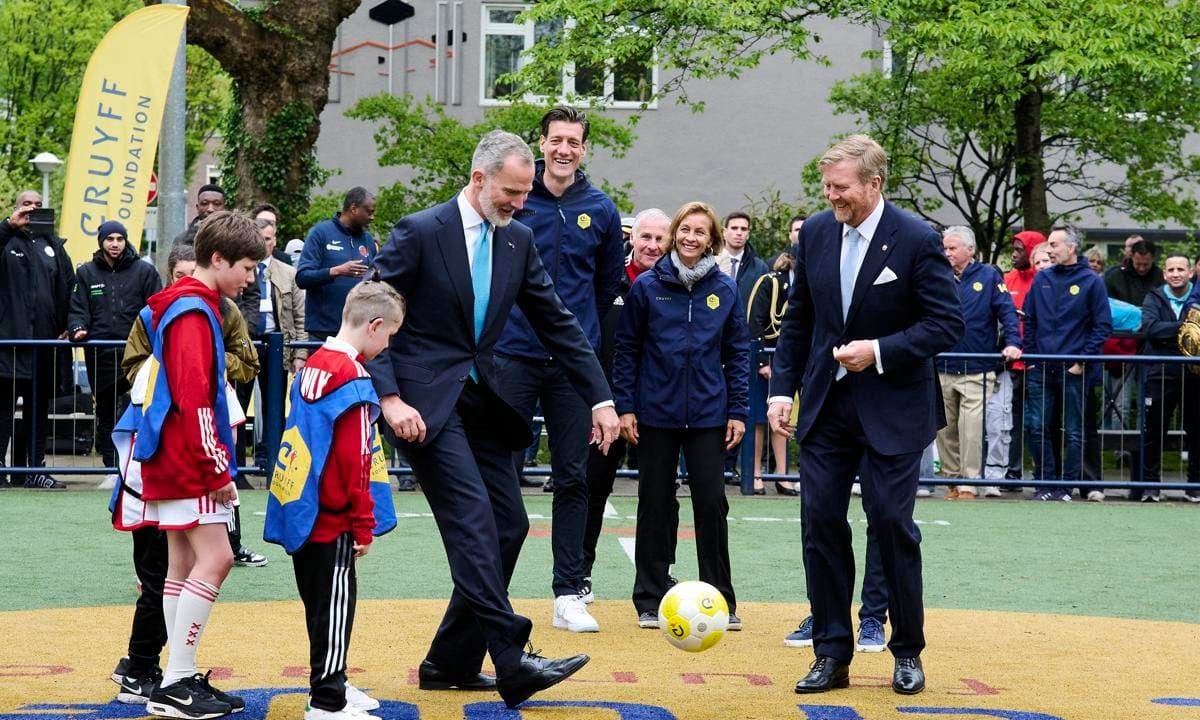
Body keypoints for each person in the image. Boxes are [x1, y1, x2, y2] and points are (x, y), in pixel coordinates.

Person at [366, 130, 618, 709]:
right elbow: (370, 308)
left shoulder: (518, 239)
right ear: (479, 179)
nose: (520, 203)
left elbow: (559, 323)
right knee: (475, 521)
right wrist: (388, 398)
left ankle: (450, 663)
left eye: (526, 193)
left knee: (508, 526)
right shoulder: (421, 230)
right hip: (423, 408)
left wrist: (600, 400)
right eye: (510, 191)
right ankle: (510, 657)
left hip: (481, 402)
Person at [766, 135, 963, 696]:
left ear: (874, 184)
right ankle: (831, 653)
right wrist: (782, 391)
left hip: (895, 409)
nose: (832, 197)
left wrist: (877, 351)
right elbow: (800, 319)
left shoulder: (918, 239)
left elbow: (946, 324)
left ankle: (907, 651)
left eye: (842, 187)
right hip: (828, 406)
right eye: (827, 186)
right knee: (820, 524)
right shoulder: (819, 233)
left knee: (891, 525)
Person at [106, 242, 264, 708]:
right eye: (247, 267)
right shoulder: (194, 311)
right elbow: (196, 397)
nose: (251, 278)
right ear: (218, 259)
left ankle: (175, 678)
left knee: (180, 565)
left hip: (169, 451)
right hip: (187, 455)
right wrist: (216, 466)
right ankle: (176, 679)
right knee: (216, 561)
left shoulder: (183, 304)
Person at [493, 107, 625, 634]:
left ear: (585, 149)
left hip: (573, 366)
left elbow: (607, 284)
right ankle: (490, 591)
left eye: (574, 141)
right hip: (513, 356)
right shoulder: (516, 203)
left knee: (575, 477)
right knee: (502, 475)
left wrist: (581, 345)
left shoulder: (603, 210)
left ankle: (569, 592)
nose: (564, 149)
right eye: (556, 140)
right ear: (541, 144)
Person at [264, 281, 406, 720]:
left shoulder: (315, 364)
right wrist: (363, 525)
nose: (387, 347)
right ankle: (327, 700)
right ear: (375, 326)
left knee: (320, 606)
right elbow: (355, 459)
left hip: (302, 506)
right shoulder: (354, 377)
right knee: (335, 609)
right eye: (389, 336)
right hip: (331, 517)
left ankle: (334, 682)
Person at [613, 201, 749, 630]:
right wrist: (626, 407)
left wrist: (739, 410)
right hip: (655, 414)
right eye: (685, 230)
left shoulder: (724, 289)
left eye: (700, 232)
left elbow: (739, 353)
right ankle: (650, 598)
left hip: (709, 414)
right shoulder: (648, 287)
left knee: (711, 504)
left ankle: (721, 598)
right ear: (675, 234)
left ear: (711, 240)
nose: (692, 238)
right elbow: (627, 350)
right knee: (655, 503)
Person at [582, 207, 670, 600]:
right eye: (646, 237)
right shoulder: (606, 284)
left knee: (661, 496)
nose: (652, 245)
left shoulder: (677, 287)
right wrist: (594, 402)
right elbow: (589, 346)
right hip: (605, 408)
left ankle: (658, 576)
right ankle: (577, 574)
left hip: (656, 410)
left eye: (659, 239)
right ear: (632, 238)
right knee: (591, 490)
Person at [67, 220, 162, 488]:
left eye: (120, 238)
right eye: (110, 239)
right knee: (106, 411)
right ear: (101, 241)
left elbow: (156, 307)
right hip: (100, 353)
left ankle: (141, 464)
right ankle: (111, 467)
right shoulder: (85, 273)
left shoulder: (144, 271)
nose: (115, 243)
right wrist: (77, 329)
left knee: (139, 406)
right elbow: (77, 308)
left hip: (138, 353)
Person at [1023, 225, 1112, 502]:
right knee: (1037, 427)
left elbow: (1102, 325)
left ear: (1071, 248)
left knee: (1074, 430)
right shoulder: (1042, 279)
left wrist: (1081, 360)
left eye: (1054, 244)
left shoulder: (1092, 281)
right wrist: (1032, 359)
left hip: (1074, 369)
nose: (1049, 250)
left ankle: (1067, 486)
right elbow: (1030, 319)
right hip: (1042, 366)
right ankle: (1045, 483)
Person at [935, 226, 1021, 500]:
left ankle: (969, 482)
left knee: (971, 428)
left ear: (969, 250)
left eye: (952, 248)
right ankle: (951, 480)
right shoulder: (936, 274)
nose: (947, 253)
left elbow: (1006, 310)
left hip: (977, 367)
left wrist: (1013, 342)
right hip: (943, 364)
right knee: (944, 427)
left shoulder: (989, 276)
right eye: (945, 248)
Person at [0, 189, 76, 489]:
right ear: (15, 209)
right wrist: (8, 226)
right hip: (8, 345)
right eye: (26, 204)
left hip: (44, 347)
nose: (32, 209)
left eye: (38, 205)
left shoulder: (54, 247)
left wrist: (69, 324)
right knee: (2, 409)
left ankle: (35, 470)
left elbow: (70, 288)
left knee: (37, 411)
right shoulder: (5, 241)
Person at [1140, 254, 1200, 502]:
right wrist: (1185, 329)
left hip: (1194, 375)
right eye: (1171, 269)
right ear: (1164, 274)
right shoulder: (1154, 297)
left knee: (1197, 431)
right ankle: (1150, 486)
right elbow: (1150, 328)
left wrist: (1173, 331)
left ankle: (1194, 485)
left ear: (1190, 273)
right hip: (1159, 373)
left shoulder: (1196, 297)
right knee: (1154, 431)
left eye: (1181, 269)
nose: (1176, 273)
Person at [716, 212, 769, 484]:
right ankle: (692, 468)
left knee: (740, 406)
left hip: (743, 348)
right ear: (724, 231)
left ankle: (733, 467)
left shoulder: (759, 268)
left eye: (744, 228)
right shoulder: (711, 261)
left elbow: (761, 313)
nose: (738, 232)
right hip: (712, 345)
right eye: (734, 228)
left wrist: (760, 356)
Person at [296, 187, 378, 342]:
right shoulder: (320, 233)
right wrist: (336, 271)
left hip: (357, 329)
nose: (372, 217)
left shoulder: (367, 239)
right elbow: (302, 278)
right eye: (369, 212)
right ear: (353, 209)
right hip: (323, 330)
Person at [747, 248, 798, 495]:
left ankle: (782, 474)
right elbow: (754, 320)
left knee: (785, 417)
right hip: (767, 356)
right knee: (759, 417)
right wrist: (761, 362)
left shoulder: (813, 284)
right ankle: (756, 473)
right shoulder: (771, 282)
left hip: (793, 359)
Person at [1003, 231, 1045, 485]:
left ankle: (1042, 472)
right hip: (1012, 363)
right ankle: (1013, 470)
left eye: (1020, 250)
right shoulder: (1007, 279)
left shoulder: (1042, 280)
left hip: (1037, 361)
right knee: (1012, 419)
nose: (1014, 254)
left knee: (1038, 421)